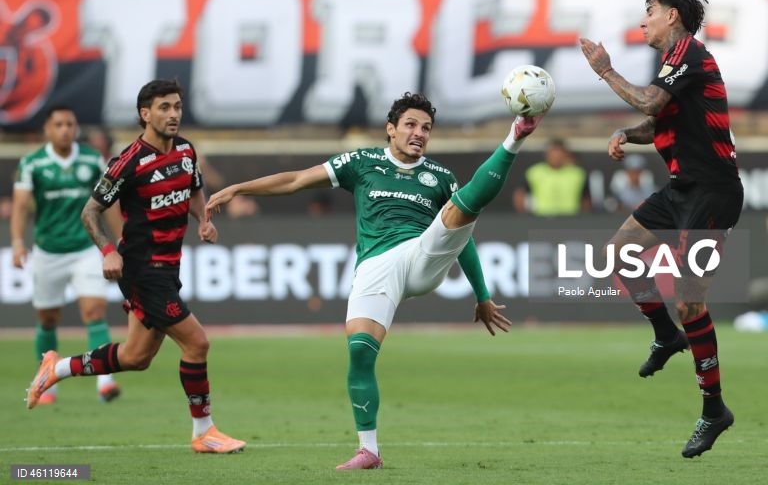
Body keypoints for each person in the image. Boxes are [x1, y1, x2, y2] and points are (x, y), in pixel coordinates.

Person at [206, 92, 545, 469]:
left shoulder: (439, 177)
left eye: (426, 128)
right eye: (411, 125)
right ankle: (369, 450)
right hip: (376, 265)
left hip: (421, 254)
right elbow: (298, 180)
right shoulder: (361, 162)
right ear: (391, 130)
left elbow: (461, 240)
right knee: (360, 351)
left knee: (462, 208)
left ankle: (514, 136)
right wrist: (239, 188)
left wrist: (482, 295)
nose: (419, 133)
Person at [24, 80, 245, 454]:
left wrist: (202, 219)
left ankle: (56, 368)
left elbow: (192, 189)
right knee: (197, 342)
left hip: (169, 268)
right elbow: (90, 212)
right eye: (164, 108)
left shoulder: (187, 151)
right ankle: (204, 432)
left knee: (135, 357)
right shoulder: (129, 162)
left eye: (177, 106)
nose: (173, 114)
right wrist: (108, 250)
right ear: (145, 114)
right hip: (142, 270)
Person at [580, 0, 743, 458]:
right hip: (681, 190)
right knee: (617, 254)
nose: (642, 20)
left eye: (648, 11)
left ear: (672, 16)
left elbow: (651, 102)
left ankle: (714, 409)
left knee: (690, 302)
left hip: (711, 192)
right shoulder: (673, 64)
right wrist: (627, 135)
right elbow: (656, 120)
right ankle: (664, 334)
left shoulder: (690, 53)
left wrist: (605, 71)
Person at [11, 105, 121, 405]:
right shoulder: (32, 163)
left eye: (70, 124)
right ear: (47, 129)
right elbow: (20, 206)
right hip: (48, 251)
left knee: (95, 310)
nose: (65, 130)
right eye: (58, 124)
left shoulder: (90, 159)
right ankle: (46, 383)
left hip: (86, 248)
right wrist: (18, 242)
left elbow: (108, 202)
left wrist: (120, 238)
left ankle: (105, 382)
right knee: (47, 318)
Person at [512, 138, 590, 215]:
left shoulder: (578, 174)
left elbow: (585, 199)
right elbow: (520, 194)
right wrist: (525, 216)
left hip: (570, 219)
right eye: (553, 153)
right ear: (547, 154)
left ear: (566, 154)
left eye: (559, 153)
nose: (556, 157)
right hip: (541, 219)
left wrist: (582, 218)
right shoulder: (534, 172)